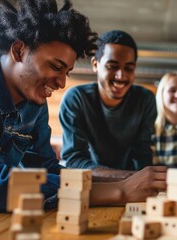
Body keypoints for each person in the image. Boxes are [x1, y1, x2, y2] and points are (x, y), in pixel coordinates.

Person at [0, 0, 165, 215]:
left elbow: (47, 171)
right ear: (19, 50)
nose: (61, 83)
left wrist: (128, 179)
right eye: (55, 66)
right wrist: (119, 191)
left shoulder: (35, 105)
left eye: (66, 72)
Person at [59, 30, 164, 181]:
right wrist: (125, 177)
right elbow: (74, 159)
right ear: (95, 65)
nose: (121, 75)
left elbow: (142, 154)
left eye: (129, 68)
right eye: (112, 66)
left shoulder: (145, 100)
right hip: (93, 181)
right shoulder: (76, 99)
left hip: (131, 183)